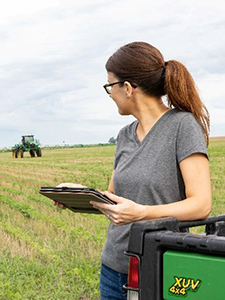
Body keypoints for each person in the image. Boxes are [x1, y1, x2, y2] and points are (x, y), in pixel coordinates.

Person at [52, 41, 212, 300]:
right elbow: (115, 199)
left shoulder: (183, 126)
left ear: (127, 88)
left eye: (109, 86)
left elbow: (201, 205)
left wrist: (143, 213)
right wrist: (80, 195)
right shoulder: (124, 135)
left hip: (162, 268)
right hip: (114, 268)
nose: (110, 94)